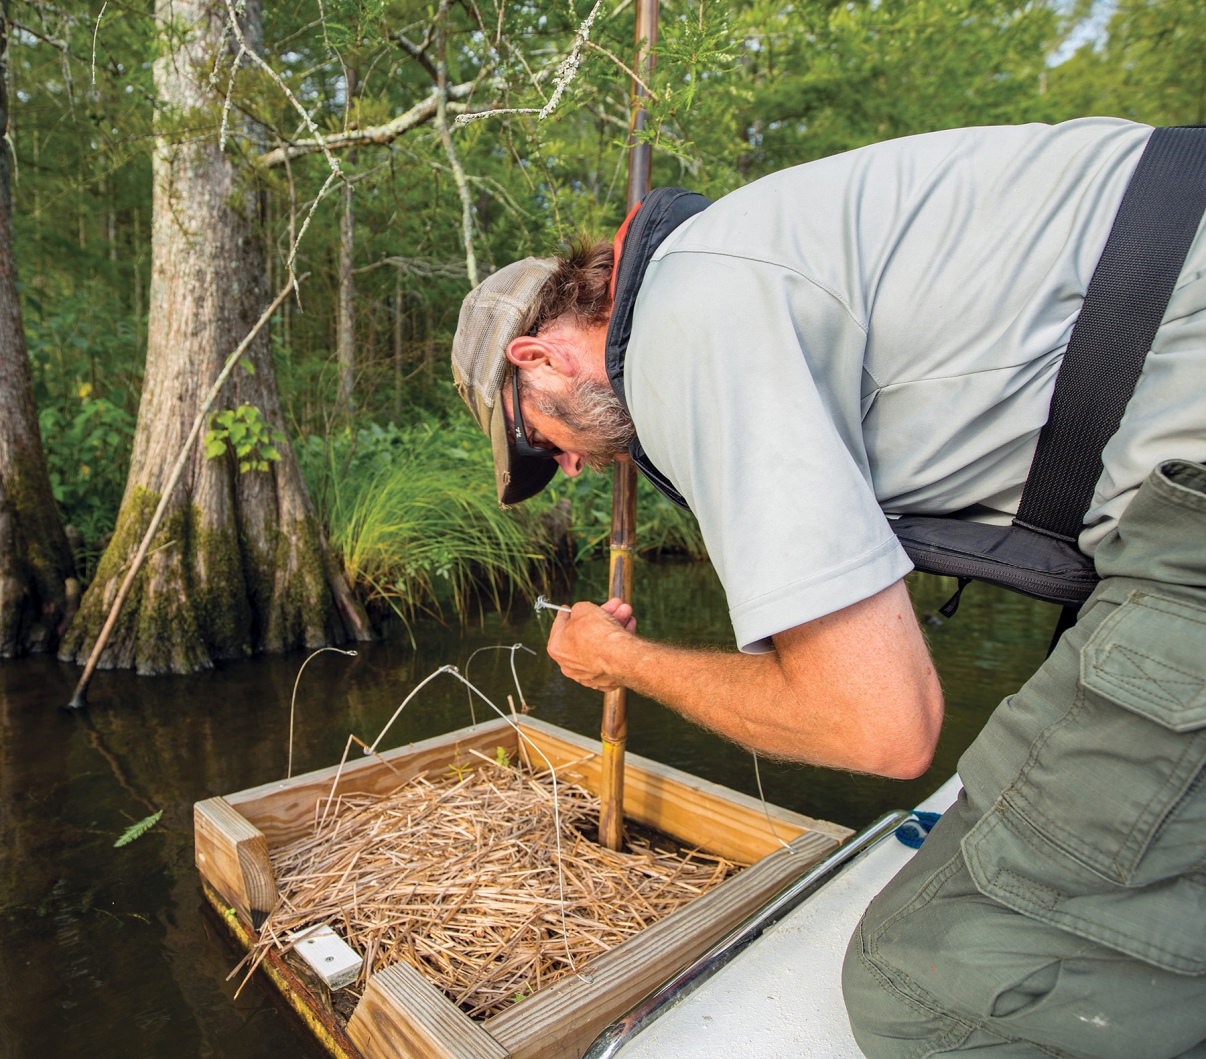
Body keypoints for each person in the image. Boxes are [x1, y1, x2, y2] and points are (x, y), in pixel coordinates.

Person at [450, 116, 1206, 1057]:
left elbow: (879, 725)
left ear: (539, 358)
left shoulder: (687, 325)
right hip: (1164, 469)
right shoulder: (740, 256)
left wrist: (622, 659)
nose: (564, 468)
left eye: (536, 440)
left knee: (920, 987)